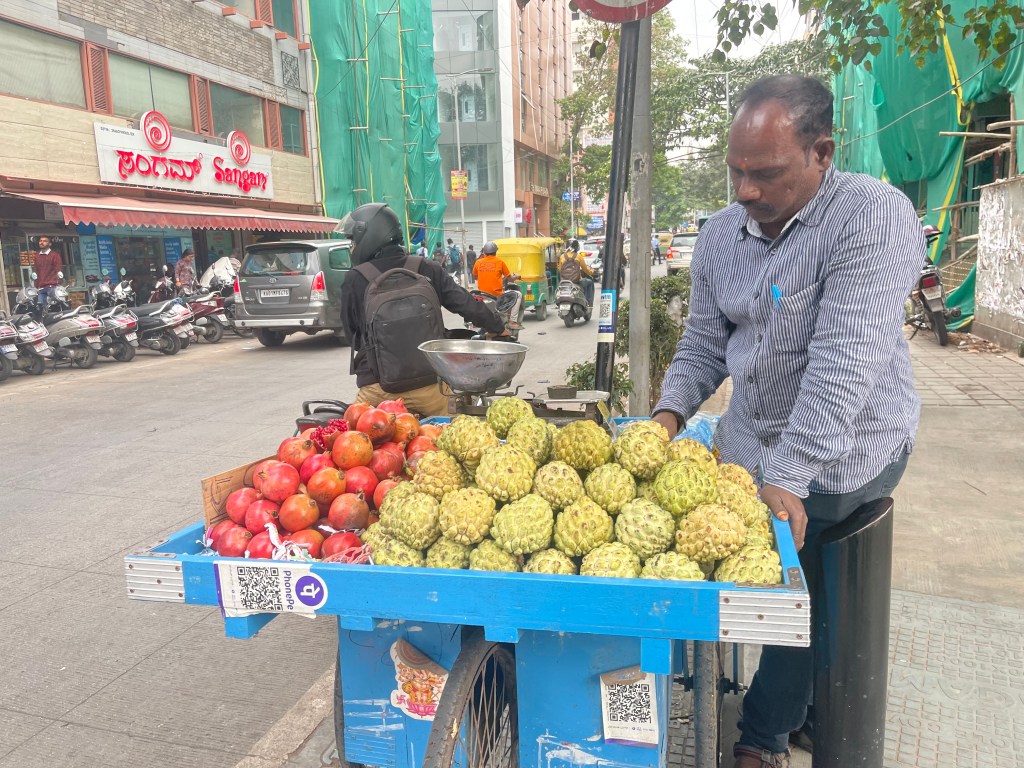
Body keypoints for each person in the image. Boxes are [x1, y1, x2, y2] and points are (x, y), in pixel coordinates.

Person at [650, 75, 922, 768]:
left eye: (765, 173)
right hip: (750, 441)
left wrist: (791, 474)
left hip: (847, 449)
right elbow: (703, 345)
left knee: (800, 579)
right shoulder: (720, 235)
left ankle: (763, 736)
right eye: (736, 171)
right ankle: (778, 705)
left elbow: (844, 364)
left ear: (821, 153)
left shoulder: (870, 217)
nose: (745, 190)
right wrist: (665, 418)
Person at [340, 204, 507, 416]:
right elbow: (466, 304)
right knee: (458, 433)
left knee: (353, 434)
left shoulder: (355, 279)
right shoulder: (427, 268)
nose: (353, 246)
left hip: (378, 392)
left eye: (353, 241)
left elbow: (352, 336)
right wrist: (498, 328)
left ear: (368, 235)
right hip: (432, 388)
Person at [558, 240, 595, 307]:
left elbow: (560, 270)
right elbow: (585, 269)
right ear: (577, 247)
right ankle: (589, 304)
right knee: (589, 282)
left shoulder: (562, 256)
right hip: (576, 281)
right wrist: (591, 272)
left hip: (564, 281)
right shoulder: (578, 256)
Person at [33, 236, 62, 307]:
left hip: (52, 286)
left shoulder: (54, 255)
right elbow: (36, 270)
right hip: (41, 287)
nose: (42, 242)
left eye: (45, 241)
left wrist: (58, 282)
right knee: (41, 308)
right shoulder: (37, 256)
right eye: (40, 241)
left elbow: (58, 269)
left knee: (53, 307)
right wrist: (36, 284)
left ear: (49, 244)